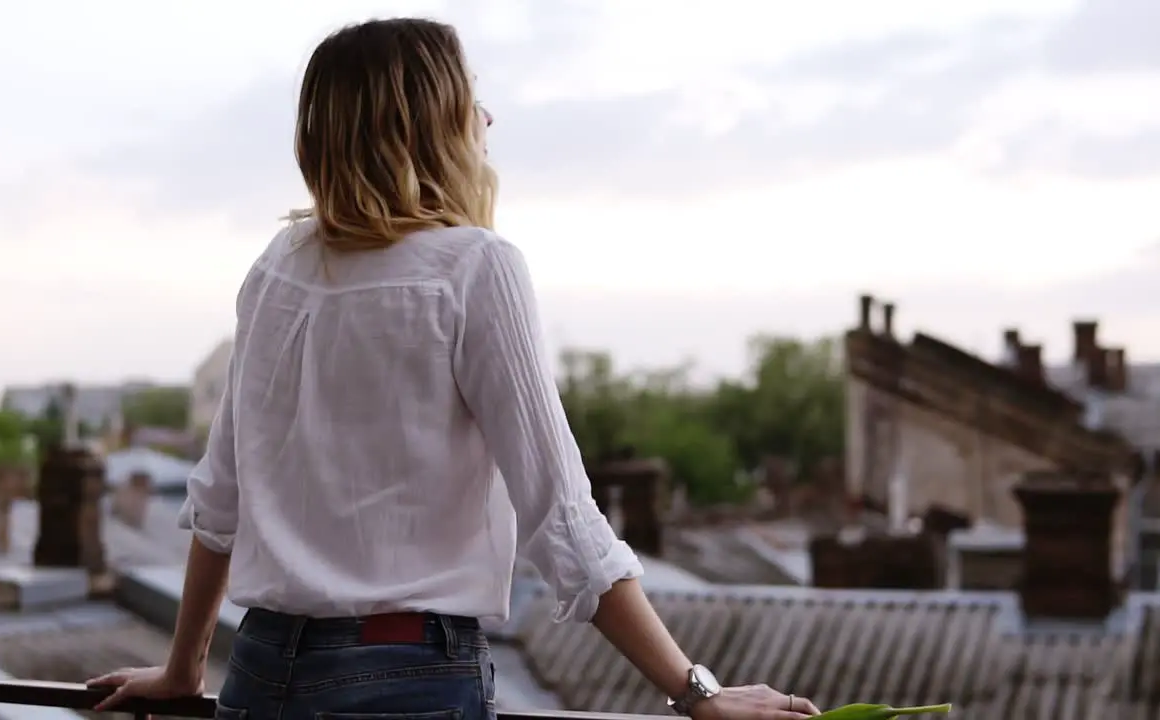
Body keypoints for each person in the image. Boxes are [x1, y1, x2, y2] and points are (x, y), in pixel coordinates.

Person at [85, 17, 820, 720]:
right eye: (469, 98)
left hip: (261, 670)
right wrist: (697, 692)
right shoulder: (476, 268)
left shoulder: (279, 268)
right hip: (406, 681)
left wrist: (185, 668)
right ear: (428, 123)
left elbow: (220, 498)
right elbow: (561, 519)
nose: (488, 119)